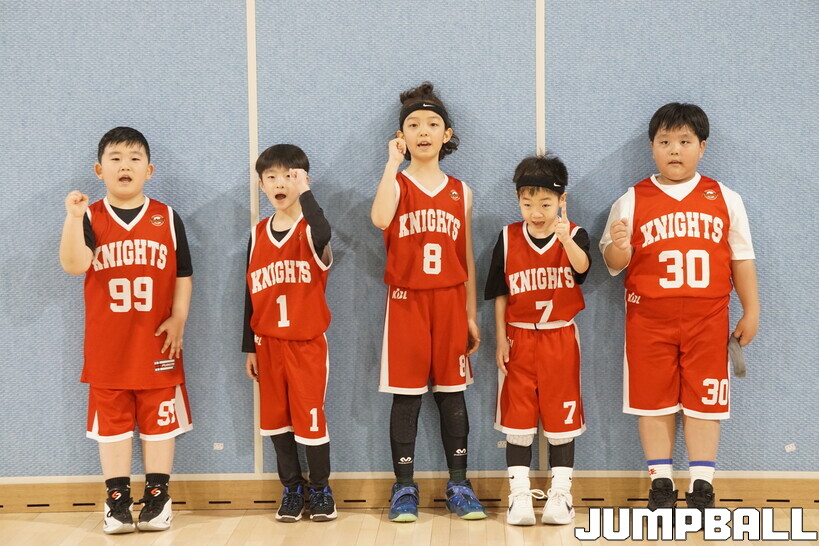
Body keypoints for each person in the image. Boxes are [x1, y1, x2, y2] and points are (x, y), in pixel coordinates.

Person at [600, 103, 759, 513]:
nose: (674, 149)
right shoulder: (632, 199)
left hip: (709, 319)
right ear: (651, 147)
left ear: (702, 147)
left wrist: (752, 309)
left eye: (685, 141)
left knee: (705, 402)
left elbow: (742, 258)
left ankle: (702, 485)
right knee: (652, 402)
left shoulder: (725, 198)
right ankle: (661, 483)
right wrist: (621, 247)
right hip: (649, 320)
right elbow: (614, 263)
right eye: (665, 141)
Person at [59, 127, 193, 534]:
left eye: (135, 158)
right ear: (99, 170)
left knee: (160, 423)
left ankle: (157, 499)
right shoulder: (90, 217)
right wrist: (73, 218)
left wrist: (179, 316)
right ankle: (116, 501)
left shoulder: (167, 216)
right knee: (113, 427)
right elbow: (74, 265)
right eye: (115, 158)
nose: (125, 165)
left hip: (157, 342)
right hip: (108, 347)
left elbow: (184, 273)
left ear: (149, 170)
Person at [370, 82, 486, 522]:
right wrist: (390, 163)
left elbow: (466, 257)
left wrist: (470, 314)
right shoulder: (396, 183)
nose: (423, 131)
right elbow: (380, 218)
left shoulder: (462, 191)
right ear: (401, 135)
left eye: (432, 124)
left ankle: (459, 484)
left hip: (451, 303)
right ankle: (404, 487)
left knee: (452, 395)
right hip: (407, 303)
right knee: (407, 398)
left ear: (446, 134)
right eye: (413, 124)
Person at [484, 155, 591, 526]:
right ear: (517, 201)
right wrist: (501, 339)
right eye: (527, 204)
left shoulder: (574, 234)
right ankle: (519, 496)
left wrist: (565, 240)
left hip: (560, 337)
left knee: (562, 422)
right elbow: (499, 293)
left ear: (562, 200)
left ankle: (561, 495)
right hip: (519, 337)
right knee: (518, 422)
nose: (536, 212)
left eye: (545, 204)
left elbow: (582, 269)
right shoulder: (507, 237)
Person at [242, 144, 336, 523]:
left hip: (306, 344)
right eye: (271, 177)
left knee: (310, 421)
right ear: (261, 185)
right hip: (267, 345)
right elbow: (249, 295)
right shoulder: (256, 234)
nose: (280, 183)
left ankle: (321, 488)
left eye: (288, 176)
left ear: (302, 180)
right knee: (277, 422)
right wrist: (249, 347)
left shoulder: (311, 230)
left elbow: (324, 230)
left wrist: (306, 191)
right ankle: (292, 488)